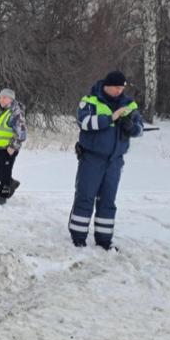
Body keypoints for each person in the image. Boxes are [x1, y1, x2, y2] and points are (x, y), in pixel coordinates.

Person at [68, 71, 143, 250]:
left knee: (108, 201)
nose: (119, 91)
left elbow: (140, 129)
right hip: (92, 158)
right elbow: (84, 123)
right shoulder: (90, 101)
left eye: (121, 88)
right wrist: (110, 118)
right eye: (116, 87)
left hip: (114, 161)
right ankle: (78, 237)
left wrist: (131, 127)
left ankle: (104, 240)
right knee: (85, 197)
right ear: (107, 86)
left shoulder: (129, 105)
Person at [0, 88, 27, 204]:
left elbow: (22, 133)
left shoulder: (15, 112)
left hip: (8, 148)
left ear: (11, 99)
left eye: (4, 97)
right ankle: (11, 183)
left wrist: (12, 147)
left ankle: (2, 196)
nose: (1, 100)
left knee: (5, 173)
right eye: (0, 97)